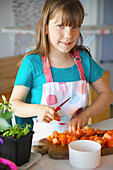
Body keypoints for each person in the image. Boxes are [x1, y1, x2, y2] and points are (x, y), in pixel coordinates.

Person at [10, 0, 113, 145]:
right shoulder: (31, 63)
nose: (69, 34)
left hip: (78, 143)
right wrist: (37, 110)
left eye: (75, 26)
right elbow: (13, 105)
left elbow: (107, 95)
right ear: (45, 28)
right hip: (41, 147)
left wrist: (86, 114)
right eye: (60, 26)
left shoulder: (84, 61)